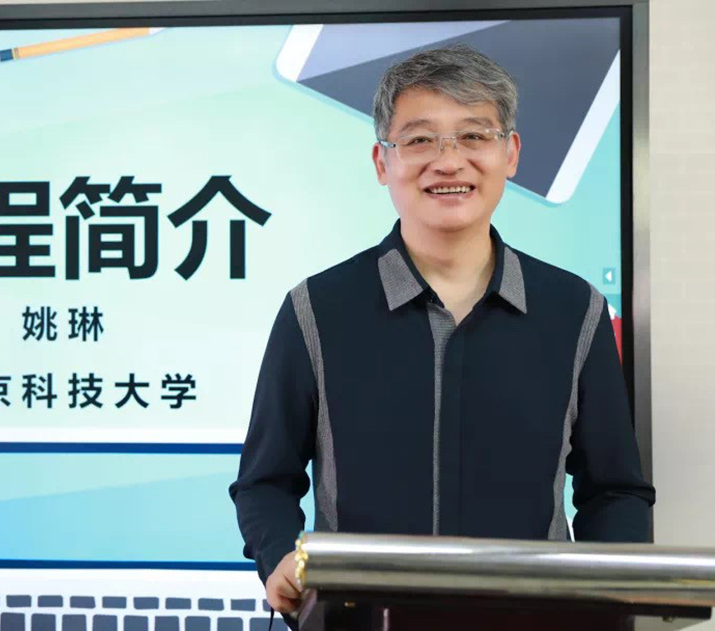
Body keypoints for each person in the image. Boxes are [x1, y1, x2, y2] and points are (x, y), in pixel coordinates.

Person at [228, 44, 655, 619]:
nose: (449, 162)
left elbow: (615, 491)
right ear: (382, 162)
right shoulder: (316, 309)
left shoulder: (575, 310)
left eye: (474, 136)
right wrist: (279, 554)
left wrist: (609, 599)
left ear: (511, 153)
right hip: (359, 621)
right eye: (420, 139)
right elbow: (264, 482)